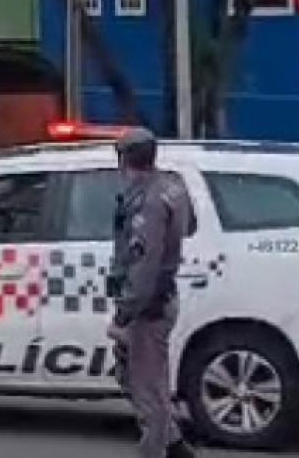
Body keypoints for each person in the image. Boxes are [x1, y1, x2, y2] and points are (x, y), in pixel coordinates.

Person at [107, 128, 197, 458]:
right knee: (128, 374)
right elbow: (190, 226)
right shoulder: (172, 187)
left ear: (126, 159)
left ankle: (155, 451)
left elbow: (145, 263)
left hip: (148, 305)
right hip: (157, 298)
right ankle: (174, 446)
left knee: (148, 390)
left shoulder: (148, 202)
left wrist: (126, 310)